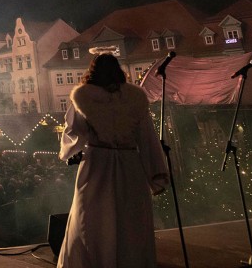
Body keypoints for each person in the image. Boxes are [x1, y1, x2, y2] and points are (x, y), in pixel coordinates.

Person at [57, 53, 169, 268]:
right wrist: (156, 174)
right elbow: (147, 137)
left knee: (92, 219)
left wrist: (69, 152)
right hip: (129, 165)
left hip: (97, 164)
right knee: (130, 220)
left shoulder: (83, 97)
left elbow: (73, 132)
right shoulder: (134, 97)